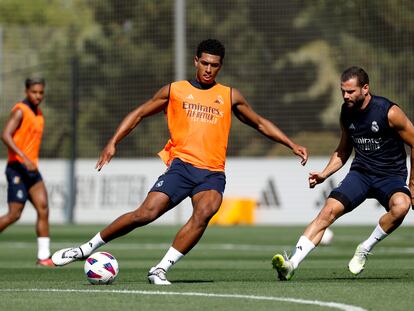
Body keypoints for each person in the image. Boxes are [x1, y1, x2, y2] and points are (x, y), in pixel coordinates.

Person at [52, 39, 308, 284]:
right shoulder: (176, 90)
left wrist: (291, 144)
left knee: (206, 211)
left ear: (221, 66)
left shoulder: (229, 95)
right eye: (205, 63)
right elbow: (140, 113)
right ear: (195, 61)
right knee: (145, 214)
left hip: (212, 173)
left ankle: (160, 269)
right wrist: (113, 142)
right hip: (182, 167)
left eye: (214, 65)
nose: (209, 69)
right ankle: (86, 248)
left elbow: (260, 123)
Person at [272, 66, 414, 280]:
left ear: (365, 89)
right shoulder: (346, 112)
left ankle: (364, 249)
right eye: (343, 92)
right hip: (361, 174)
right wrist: (324, 174)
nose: (345, 96)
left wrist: (412, 183)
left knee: (401, 207)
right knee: (327, 212)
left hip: (390, 177)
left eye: (350, 91)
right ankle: (291, 264)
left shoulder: (389, 112)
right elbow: (344, 149)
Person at [1, 77, 54, 267]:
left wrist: (30, 161)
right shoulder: (20, 111)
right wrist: (24, 158)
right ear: (26, 91)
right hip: (17, 168)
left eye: (41, 92)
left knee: (43, 207)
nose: (38, 96)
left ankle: (43, 257)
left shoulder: (39, 114)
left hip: (32, 170)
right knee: (14, 214)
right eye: (34, 92)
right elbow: (5, 135)